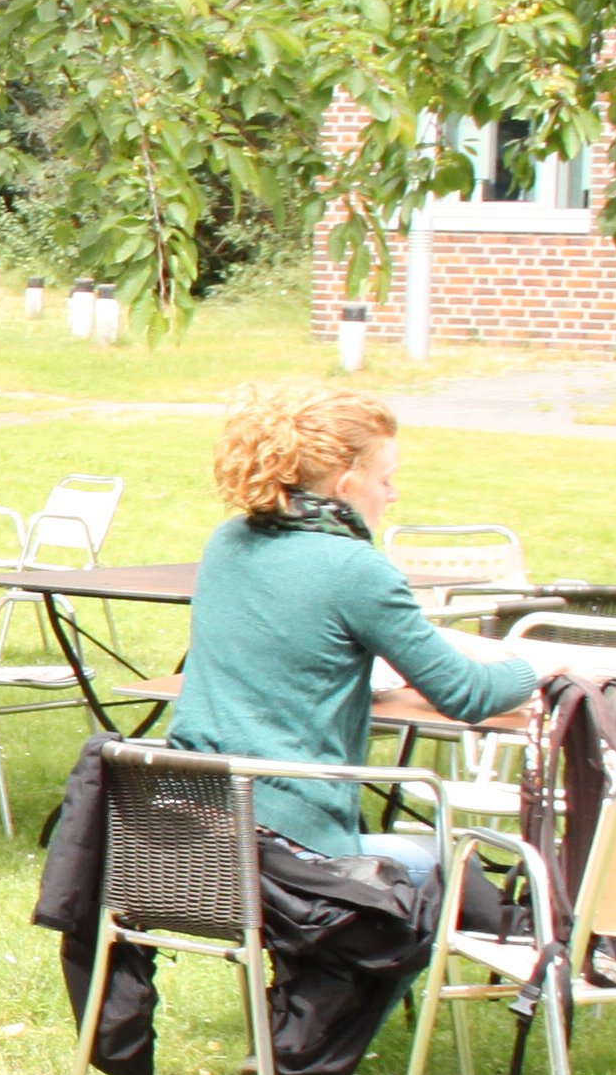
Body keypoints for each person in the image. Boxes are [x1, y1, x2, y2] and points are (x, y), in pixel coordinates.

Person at [168, 379, 542, 887]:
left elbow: (307, 630)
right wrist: (540, 665)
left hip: (185, 829)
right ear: (346, 485)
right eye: (386, 479)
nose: (394, 493)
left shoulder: (227, 542)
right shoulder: (355, 568)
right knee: (460, 875)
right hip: (286, 841)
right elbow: (466, 694)